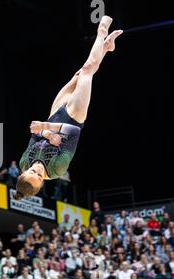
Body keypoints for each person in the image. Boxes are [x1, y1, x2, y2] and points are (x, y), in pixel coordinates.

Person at [15, 16, 123, 199]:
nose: (38, 170)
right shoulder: (57, 169)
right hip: (74, 117)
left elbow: (35, 134)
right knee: (88, 70)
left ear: (23, 173)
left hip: (54, 115)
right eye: (40, 176)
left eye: (33, 172)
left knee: (79, 73)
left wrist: (46, 132)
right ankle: (102, 30)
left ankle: (106, 47)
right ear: (42, 183)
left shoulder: (24, 162)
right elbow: (73, 133)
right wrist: (45, 129)